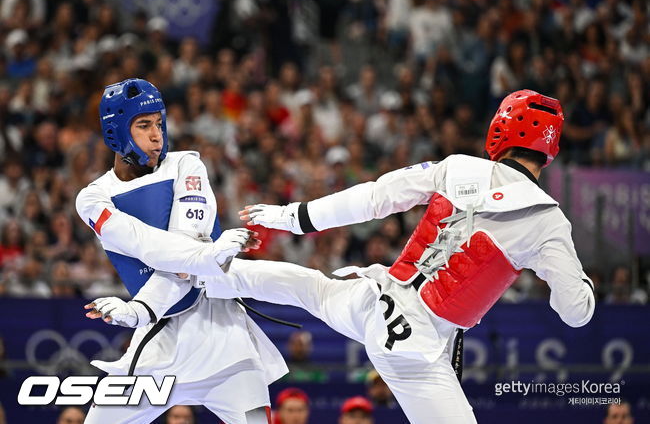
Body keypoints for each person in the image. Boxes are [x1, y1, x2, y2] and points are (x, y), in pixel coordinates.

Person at [95, 89, 595, 423]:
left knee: (306, 287)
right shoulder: (549, 222)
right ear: (548, 150)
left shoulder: (457, 167)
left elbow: (374, 197)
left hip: (375, 298)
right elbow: (574, 314)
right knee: (306, 290)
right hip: (414, 349)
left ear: (501, 132)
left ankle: (207, 274)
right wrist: (579, 285)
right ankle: (206, 272)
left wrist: (293, 217)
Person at [75, 78, 287, 424]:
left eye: (159, 122)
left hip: (226, 344)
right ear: (115, 131)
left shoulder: (187, 165)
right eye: (144, 125)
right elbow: (149, 245)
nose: (157, 135)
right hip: (158, 345)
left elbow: (189, 243)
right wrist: (207, 257)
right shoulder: (93, 198)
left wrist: (142, 308)